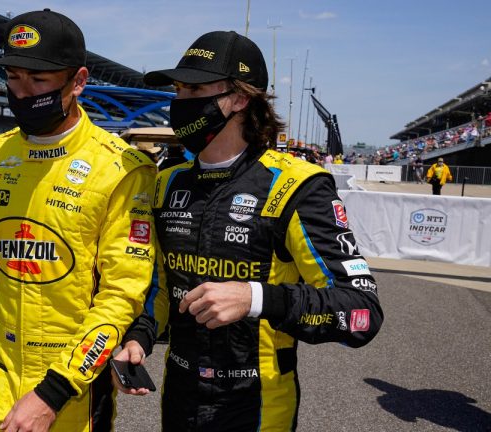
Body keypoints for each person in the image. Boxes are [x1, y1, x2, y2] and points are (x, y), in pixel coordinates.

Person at [114, 31, 384, 431]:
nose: (181, 102)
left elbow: (362, 311)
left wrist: (256, 298)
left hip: (256, 404)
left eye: (195, 88)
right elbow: (160, 285)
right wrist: (139, 337)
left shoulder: (297, 185)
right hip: (179, 396)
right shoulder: (166, 183)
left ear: (241, 99)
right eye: (178, 89)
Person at [0, 9, 157, 432]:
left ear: (78, 81)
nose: (22, 92)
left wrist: (53, 393)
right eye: (13, 77)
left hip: (71, 379)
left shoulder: (121, 169)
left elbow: (122, 295)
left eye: (38, 80)